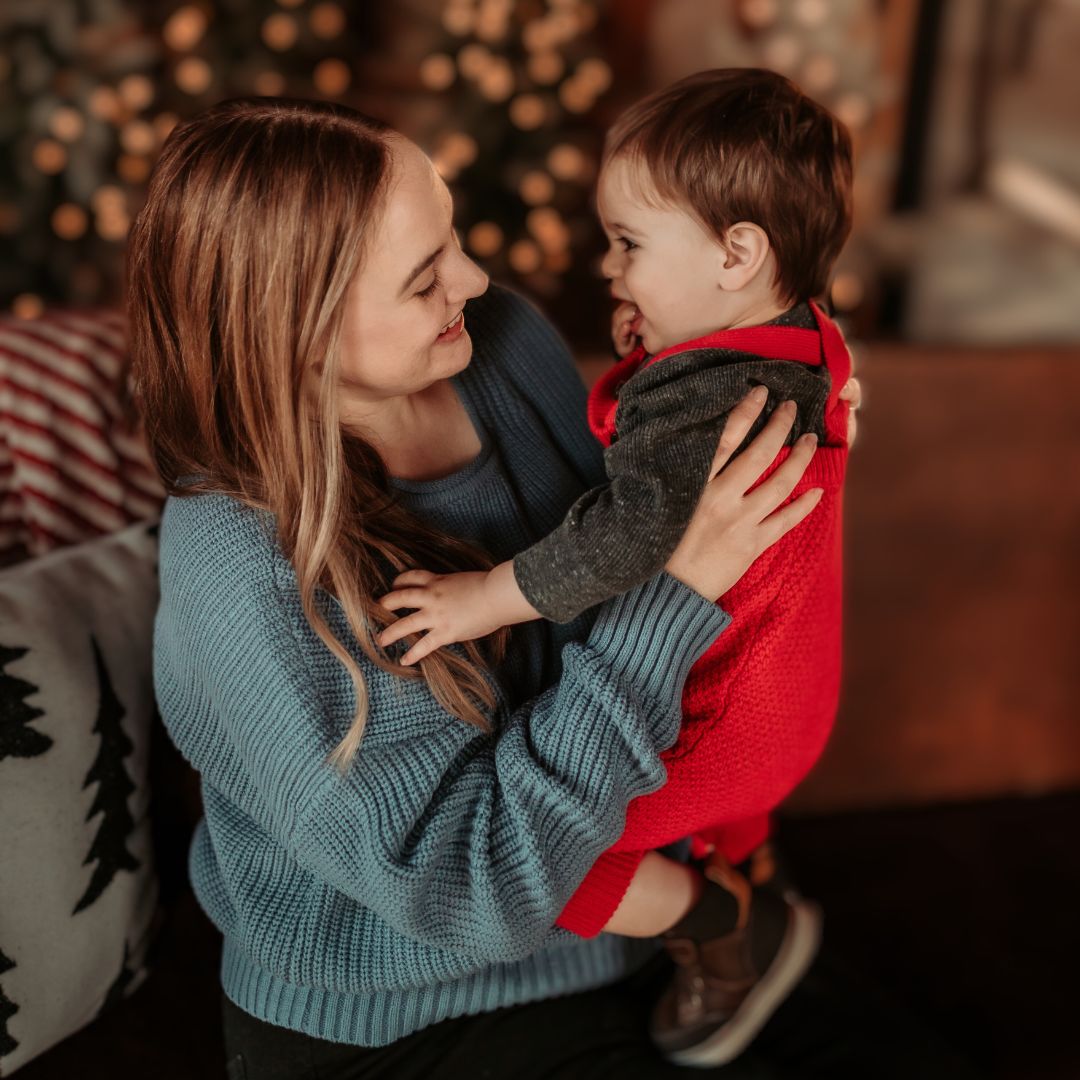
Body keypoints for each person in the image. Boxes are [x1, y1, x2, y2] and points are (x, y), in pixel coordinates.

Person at [128, 96, 876, 1079]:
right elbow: (470, 888)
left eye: (453, 237)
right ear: (297, 332)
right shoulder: (241, 563)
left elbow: (638, 520)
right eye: (424, 276)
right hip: (409, 1010)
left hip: (627, 912)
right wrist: (680, 591)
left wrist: (767, 401)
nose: (476, 280)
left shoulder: (500, 340)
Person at [374, 69, 853, 1066]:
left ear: (737, 255)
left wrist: (480, 600)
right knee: (720, 811)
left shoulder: (707, 408)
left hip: (729, 719)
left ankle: (730, 935)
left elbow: (626, 534)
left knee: (553, 861)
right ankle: (750, 865)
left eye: (630, 243)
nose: (608, 265)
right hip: (796, 690)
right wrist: (659, 344)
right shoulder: (805, 345)